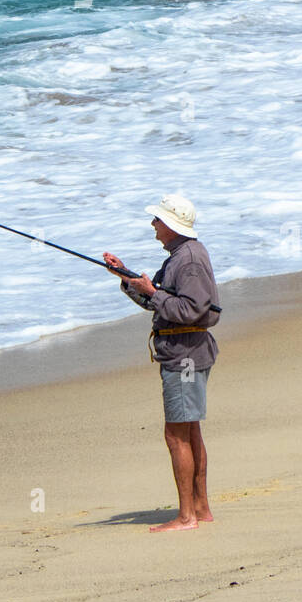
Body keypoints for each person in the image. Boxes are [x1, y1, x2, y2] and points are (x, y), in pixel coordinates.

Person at [104, 194, 220, 532]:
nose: (153, 226)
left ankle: (186, 517)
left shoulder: (190, 260)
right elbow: (157, 298)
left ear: (170, 225)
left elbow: (193, 310)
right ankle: (200, 508)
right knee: (190, 429)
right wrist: (125, 276)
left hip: (185, 354)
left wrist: (153, 293)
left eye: (157, 220)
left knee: (176, 435)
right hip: (185, 351)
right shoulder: (181, 256)